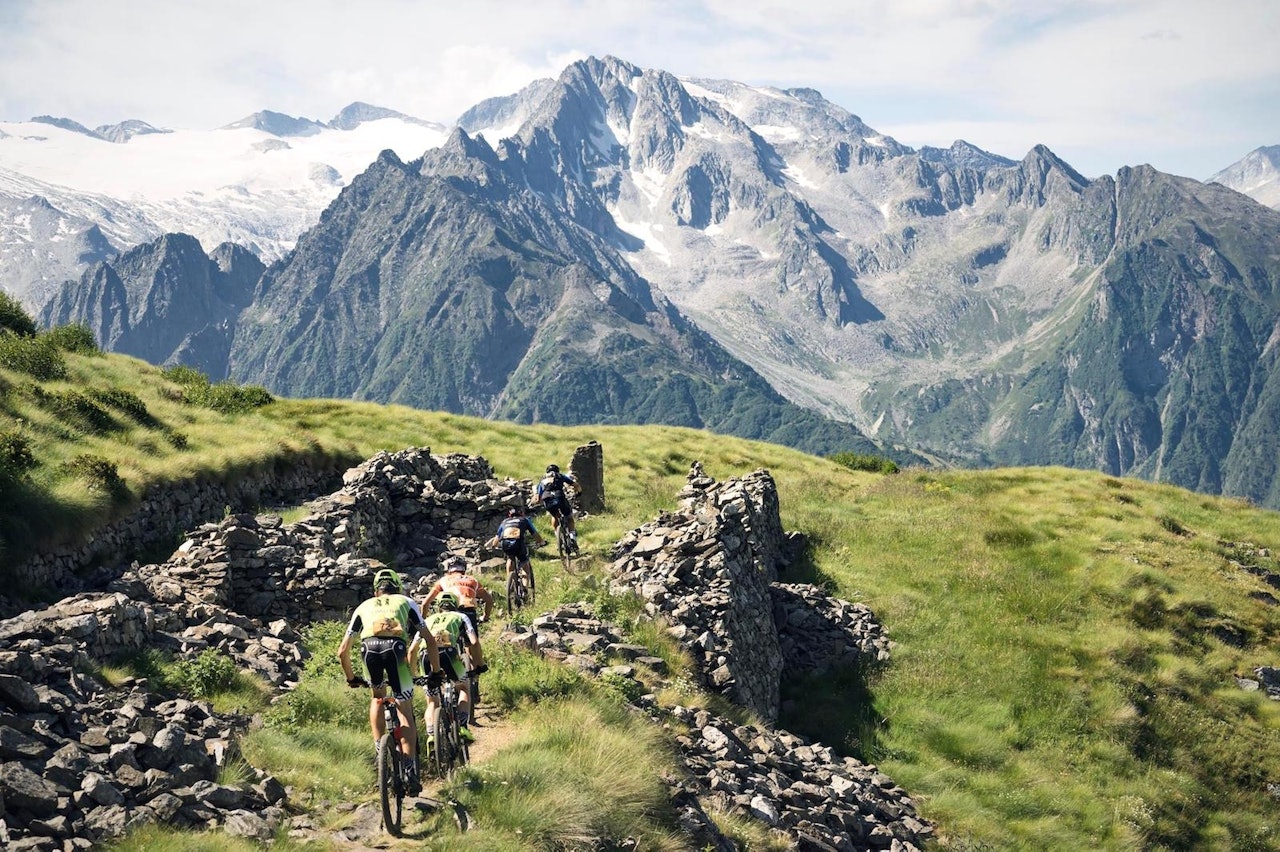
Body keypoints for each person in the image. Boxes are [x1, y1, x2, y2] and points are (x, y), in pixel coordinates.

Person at [338, 566, 443, 796]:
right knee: (404, 708)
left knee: (377, 699)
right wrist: (435, 672)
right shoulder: (406, 602)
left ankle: (380, 752)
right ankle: (409, 769)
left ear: (376, 590)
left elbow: (342, 651)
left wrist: (351, 678)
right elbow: (430, 641)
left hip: (369, 650)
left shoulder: (363, 606)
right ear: (397, 588)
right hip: (395, 650)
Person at [411, 593, 480, 746]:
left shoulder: (427, 620)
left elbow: (411, 651)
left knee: (431, 702)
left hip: (425, 656)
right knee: (463, 687)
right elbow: (474, 642)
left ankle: (431, 735)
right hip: (448, 653)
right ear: (455, 605)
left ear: (439, 607)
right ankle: (462, 726)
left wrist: (413, 675)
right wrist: (479, 665)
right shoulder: (460, 616)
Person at [422, 555, 492, 675]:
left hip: (449, 612)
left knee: (444, 641)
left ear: (449, 570)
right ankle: (474, 674)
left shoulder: (443, 580)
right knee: (471, 645)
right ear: (464, 569)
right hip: (468, 611)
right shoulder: (472, 580)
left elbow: (425, 603)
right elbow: (489, 600)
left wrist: (423, 622)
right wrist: (485, 617)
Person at [489, 506, 545, 596]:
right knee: (524, 562)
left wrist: (493, 546)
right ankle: (525, 588)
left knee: (510, 558)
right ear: (521, 514)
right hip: (518, 543)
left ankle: (510, 582)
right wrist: (541, 542)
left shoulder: (504, 522)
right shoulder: (525, 520)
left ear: (510, 515)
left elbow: (496, 540)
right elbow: (535, 534)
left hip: (505, 544)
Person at [535, 463, 579, 553]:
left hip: (547, 499)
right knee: (569, 517)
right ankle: (572, 537)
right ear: (557, 471)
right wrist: (579, 492)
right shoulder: (560, 476)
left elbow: (537, 498)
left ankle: (559, 539)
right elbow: (575, 485)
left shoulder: (542, 480)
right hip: (560, 497)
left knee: (554, 516)